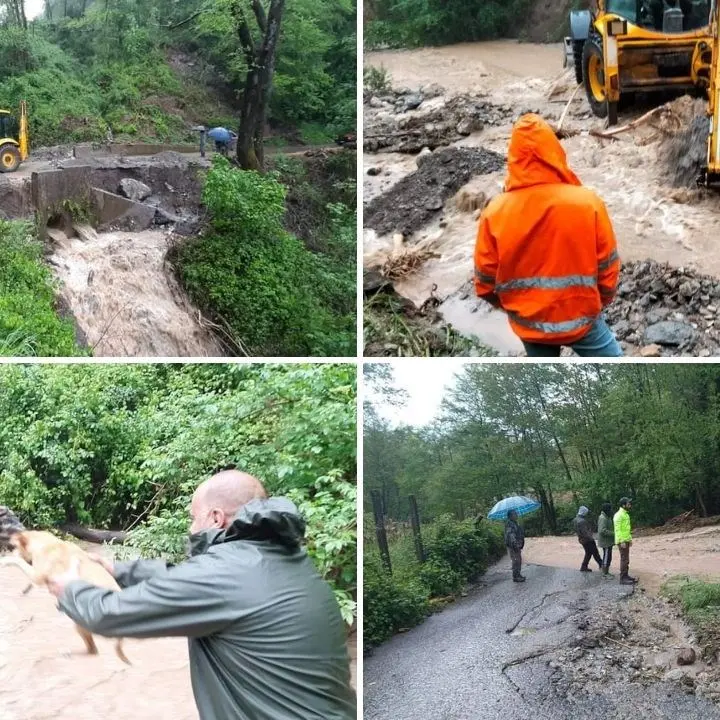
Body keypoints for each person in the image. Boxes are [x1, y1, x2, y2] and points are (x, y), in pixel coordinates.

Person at [46, 470, 357, 720]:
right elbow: (190, 580)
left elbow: (107, 614)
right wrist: (117, 569)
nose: (191, 528)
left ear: (215, 517)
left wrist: (70, 588)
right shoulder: (283, 559)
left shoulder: (224, 573)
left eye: (193, 518)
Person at [473, 113, 622, 357]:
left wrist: (516, 309)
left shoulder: (494, 212)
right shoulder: (587, 203)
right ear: (555, 152)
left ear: (513, 159)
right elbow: (608, 268)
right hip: (582, 319)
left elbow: (484, 283)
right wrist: (596, 304)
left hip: (530, 325)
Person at [614, 497, 637, 586]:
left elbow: (627, 529)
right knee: (624, 559)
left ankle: (626, 576)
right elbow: (618, 529)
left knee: (626, 559)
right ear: (623, 505)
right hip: (622, 541)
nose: (630, 505)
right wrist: (622, 541)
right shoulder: (619, 515)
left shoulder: (625, 514)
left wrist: (630, 539)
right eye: (628, 504)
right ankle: (623, 578)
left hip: (626, 539)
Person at [573, 505, 602, 572]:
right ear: (584, 513)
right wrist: (592, 538)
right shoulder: (582, 521)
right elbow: (585, 533)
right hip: (588, 540)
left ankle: (584, 566)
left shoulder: (575, 520)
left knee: (589, 553)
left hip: (581, 539)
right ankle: (601, 564)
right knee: (595, 552)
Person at [504, 509, 526, 583]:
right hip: (513, 546)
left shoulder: (514, 523)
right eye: (514, 514)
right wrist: (515, 544)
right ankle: (516, 577)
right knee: (516, 560)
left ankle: (518, 575)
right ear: (510, 516)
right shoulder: (509, 524)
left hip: (517, 545)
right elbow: (511, 536)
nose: (516, 515)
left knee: (519, 560)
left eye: (516, 514)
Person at [597, 502, 615, 577]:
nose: (611, 510)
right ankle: (605, 573)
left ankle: (606, 571)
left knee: (608, 557)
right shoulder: (603, 518)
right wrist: (613, 533)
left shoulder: (607, 517)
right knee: (606, 557)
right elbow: (602, 531)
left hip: (608, 541)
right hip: (605, 542)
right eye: (610, 509)